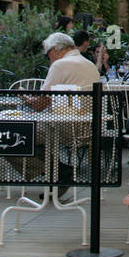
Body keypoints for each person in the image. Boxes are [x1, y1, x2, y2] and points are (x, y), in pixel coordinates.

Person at [31, 31, 101, 198]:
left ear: (55, 50)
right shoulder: (89, 64)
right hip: (90, 127)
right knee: (25, 133)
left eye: (48, 54)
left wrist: (24, 97)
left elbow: (40, 105)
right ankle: (57, 172)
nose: (48, 59)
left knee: (18, 135)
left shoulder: (60, 65)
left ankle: (60, 171)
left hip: (66, 127)